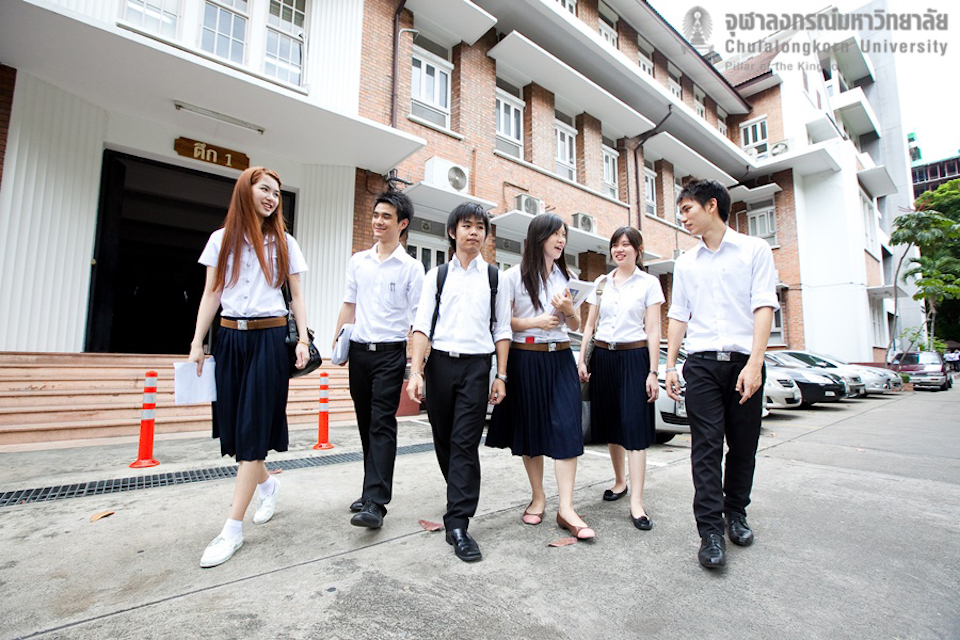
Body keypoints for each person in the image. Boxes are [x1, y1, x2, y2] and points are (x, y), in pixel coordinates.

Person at [188, 166, 311, 568]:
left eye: (277, 192)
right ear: (246, 190)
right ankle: (268, 485)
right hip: (229, 339)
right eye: (265, 189)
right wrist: (197, 343)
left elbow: (296, 296)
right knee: (238, 433)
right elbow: (212, 293)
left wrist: (305, 340)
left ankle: (232, 530)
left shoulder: (284, 242)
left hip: (269, 339)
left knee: (253, 430)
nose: (272, 197)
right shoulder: (220, 240)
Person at [664, 178, 778, 569]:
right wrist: (669, 365)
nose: (683, 219)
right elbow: (679, 314)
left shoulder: (753, 250)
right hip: (701, 365)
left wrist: (756, 363)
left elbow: (764, 306)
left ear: (711, 205)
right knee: (706, 448)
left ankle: (737, 512)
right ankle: (710, 530)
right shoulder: (685, 262)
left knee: (743, 444)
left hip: (744, 361)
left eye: (687, 210)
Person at [407, 202, 512, 562]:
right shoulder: (435, 276)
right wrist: (416, 371)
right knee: (444, 441)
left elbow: (502, 329)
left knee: (465, 442)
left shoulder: (495, 278)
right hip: (439, 367)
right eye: (466, 225)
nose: (474, 232)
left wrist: (501, 374)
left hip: (476, 368)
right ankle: (458, 496)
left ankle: (458, 522)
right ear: (453, 231)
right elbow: (421, 325)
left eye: (480, 227)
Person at [485, 214, 594, 539]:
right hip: (525, 359)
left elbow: (573, 327)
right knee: (530, 431)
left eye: (563, 235)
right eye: (555, 235)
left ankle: (567, 508)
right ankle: (538, 497)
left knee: (567, 427)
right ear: (539, 237)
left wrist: (570, 310)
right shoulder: (512, 277)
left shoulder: (567, 277)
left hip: (560, 358)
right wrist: (537, 322)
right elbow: (503, 323)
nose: (561, 241)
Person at [332, 190, 425, 529]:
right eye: (376, 215)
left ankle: (376, 503)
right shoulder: (359, 261)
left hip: (389, 354)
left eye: (386, 216)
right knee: (364, 422)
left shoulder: (413, 268)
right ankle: (369, 488)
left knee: (381, 424)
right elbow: (349, 304)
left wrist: (417, 367)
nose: (378, 221)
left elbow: (418, 321)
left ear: (402, 224)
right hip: (359, 352)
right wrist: (337, 341)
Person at [577, 227, 663, 532]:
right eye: (615, 245)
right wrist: (582, 358)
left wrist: (653, 371)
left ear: (638, 249)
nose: (620, 249)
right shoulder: (601, 283)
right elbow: (589, 325)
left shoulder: (649, 283)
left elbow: (653, 330)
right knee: (612, 424)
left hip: (634, 358)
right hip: (603, 357)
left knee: (635, 427)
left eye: (626, 245)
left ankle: (637, 503)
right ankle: (619, 481)